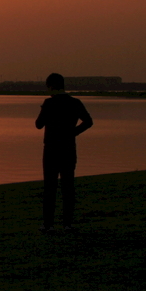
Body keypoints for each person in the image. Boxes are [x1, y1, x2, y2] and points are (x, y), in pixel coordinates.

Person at [36, 73, 93, 232]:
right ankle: (68, 223)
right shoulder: (75, 102)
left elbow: (38, 124)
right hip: (68, 147)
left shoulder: (49, 103)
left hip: (51, 149)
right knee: (68, 186)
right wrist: (73, 132)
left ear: (52, 86)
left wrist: (44, 110)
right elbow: (88, 121)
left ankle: (48, 224)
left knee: (50, 186)